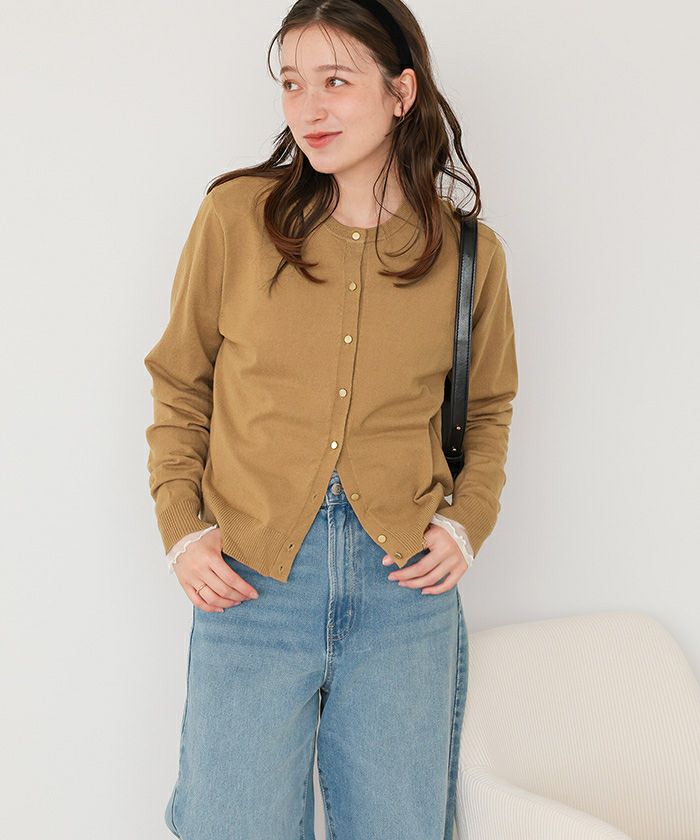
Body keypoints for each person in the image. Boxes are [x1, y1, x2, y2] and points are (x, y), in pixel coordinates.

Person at [143, 1, 518, 837]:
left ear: (400, 93)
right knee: (231, 824)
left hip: (403, 594)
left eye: (336, 81)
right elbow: (179, 382)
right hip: (250, 582)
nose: (308, 108)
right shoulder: (236, 218)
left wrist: (466, 522)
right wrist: (182, 527)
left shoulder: (468, 254)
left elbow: (489, 405)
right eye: (291, 83)